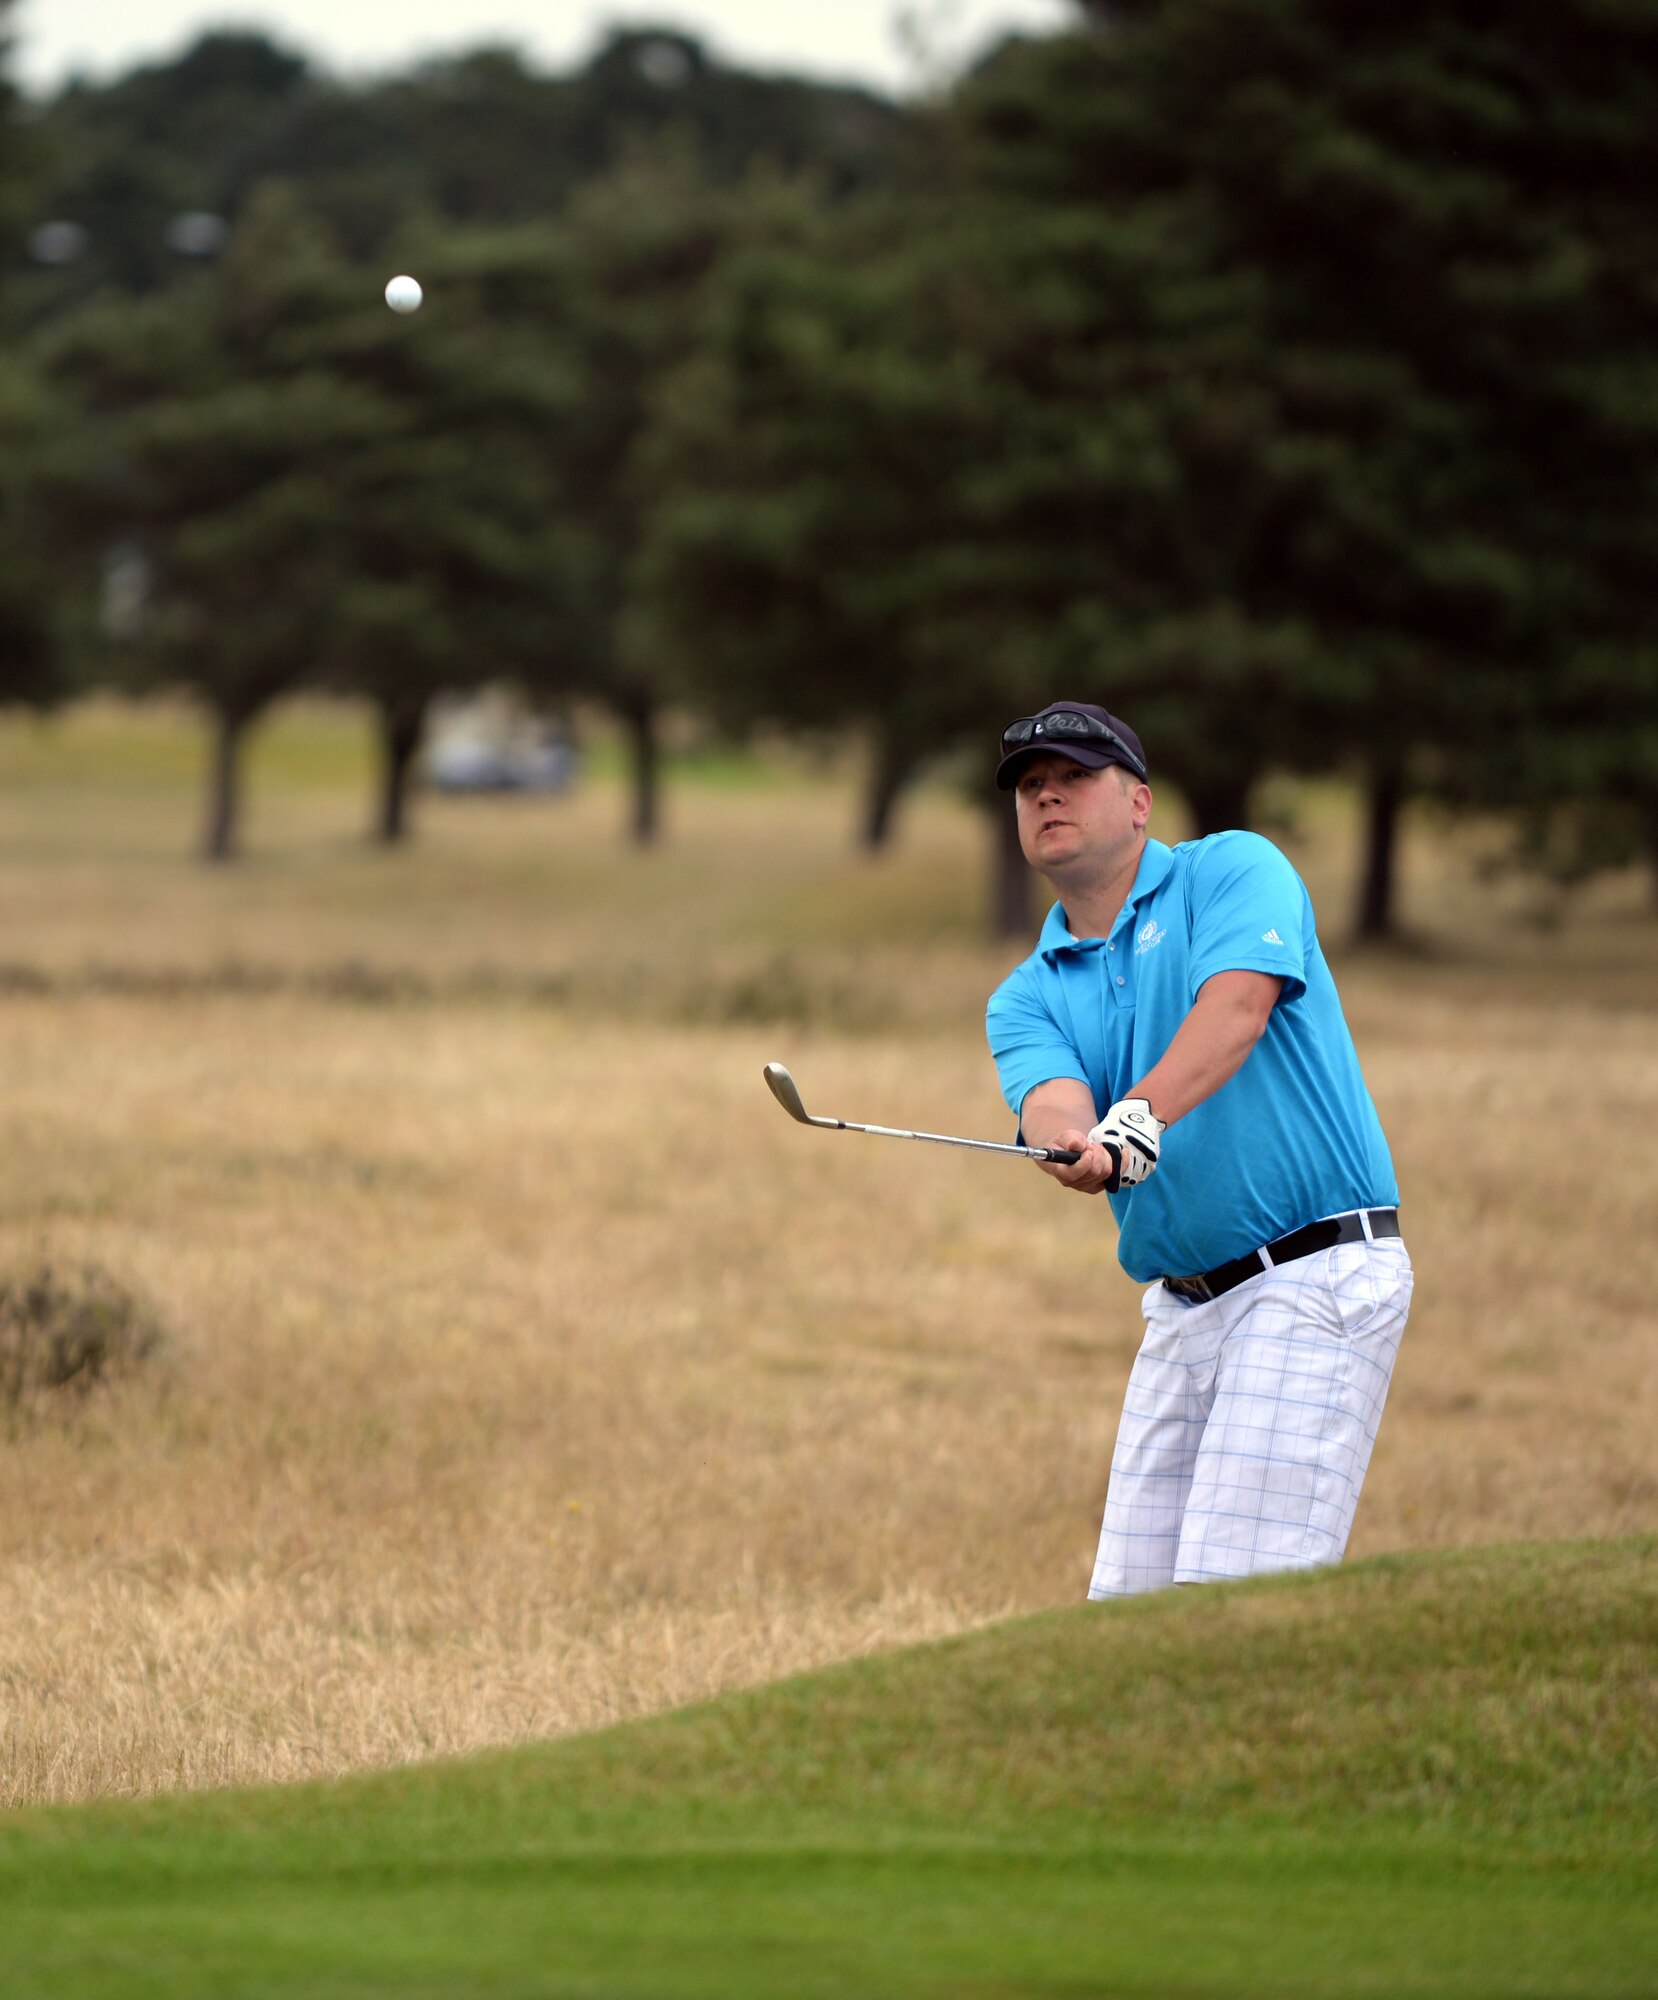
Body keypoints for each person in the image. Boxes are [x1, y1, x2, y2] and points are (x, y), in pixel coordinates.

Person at [985, 701, 1412, 1597]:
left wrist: (1133, 1122)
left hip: (1312, 1273)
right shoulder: (1025, 995)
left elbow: (1237, 1009)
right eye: (1030, 786)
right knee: (1128, 1622)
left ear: (1139, 803)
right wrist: (1071, 1142)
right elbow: (1052, 1099)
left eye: (1072, 777)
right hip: (1182, 1311)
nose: (1047, 796)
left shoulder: (1234, 870)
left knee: (1229, 1610)